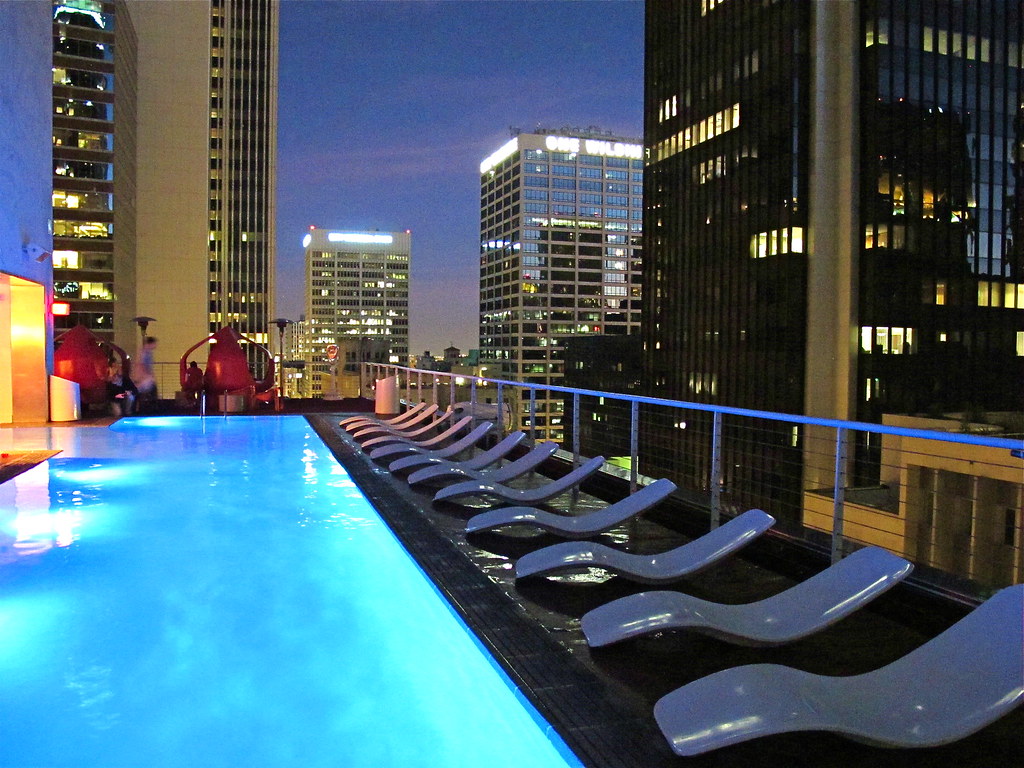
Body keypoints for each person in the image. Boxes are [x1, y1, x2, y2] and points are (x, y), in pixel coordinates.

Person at [132, 336, 158, 411]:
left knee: (141, 392)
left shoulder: (146, 352)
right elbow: (142, 364)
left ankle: (138, 409)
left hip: (144, 376)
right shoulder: (145, 352)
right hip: (144, 376)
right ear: (151, 343)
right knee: (150, 390)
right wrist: (145, 375)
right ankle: (150, 409)